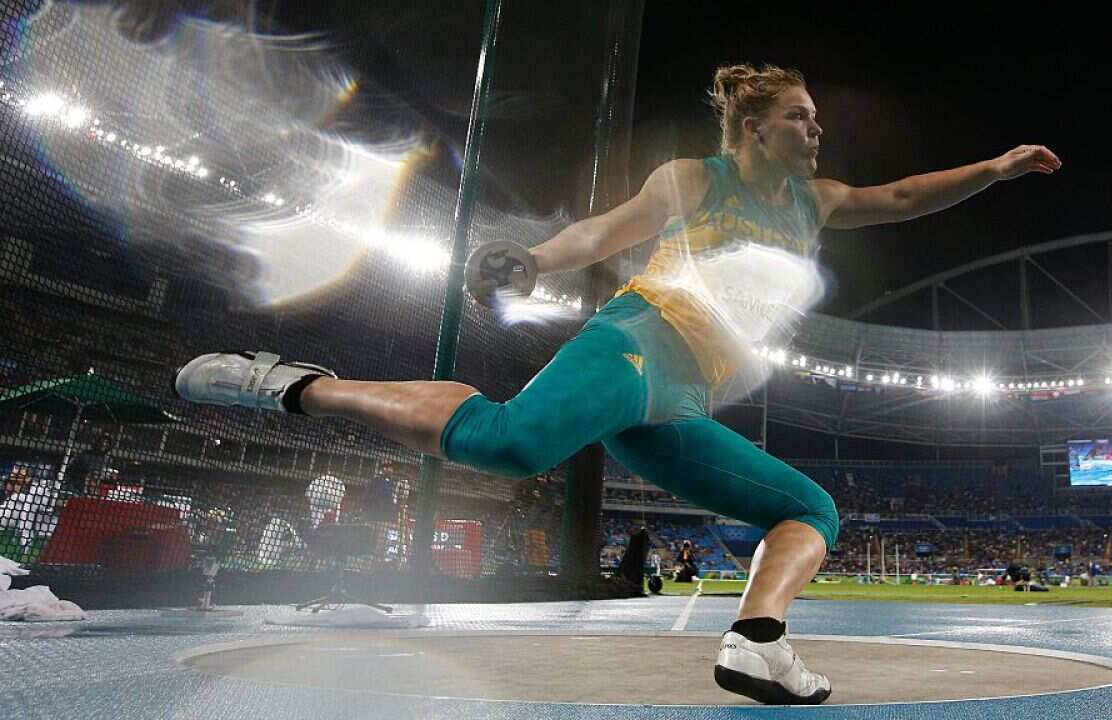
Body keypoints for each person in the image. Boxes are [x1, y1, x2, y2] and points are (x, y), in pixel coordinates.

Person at [173, 63, 1059, 705]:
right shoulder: (694, 179)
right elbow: (603, 232)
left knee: (810, 512)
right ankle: (293, 386)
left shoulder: (814, 200)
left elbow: (903, 199)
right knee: (512, 443)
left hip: (681, 399)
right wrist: (533, 259)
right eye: (800, 117)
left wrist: (997, 169)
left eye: (816, 117)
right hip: (637, 338)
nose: (816, 129)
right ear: (753, 129)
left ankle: (758, 643)